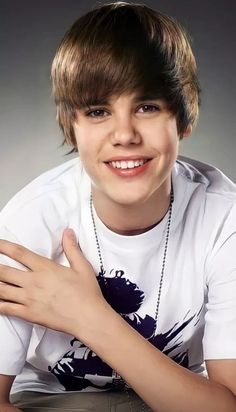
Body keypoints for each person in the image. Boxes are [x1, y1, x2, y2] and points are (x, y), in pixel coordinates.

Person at [0, 2, 235, 411]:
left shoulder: (222, 217)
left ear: (182, 117)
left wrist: (88, 317)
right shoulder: (30, 221)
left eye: (147, 107)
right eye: (98, 111)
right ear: (71, 126)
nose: (124, 134)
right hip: (49, 402)